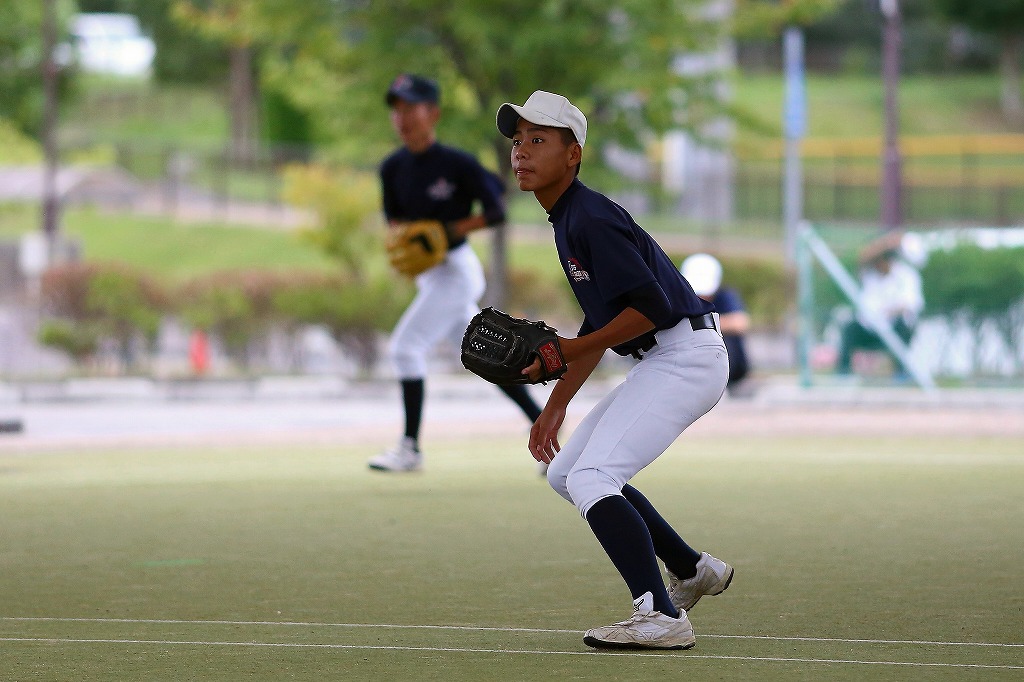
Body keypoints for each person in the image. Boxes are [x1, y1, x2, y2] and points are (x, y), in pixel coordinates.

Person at [497, 90, 733, 650]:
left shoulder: (589, 218)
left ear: (573, 153)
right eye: (517, 141)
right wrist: (554, 407)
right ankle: (690, 567)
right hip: (671, 358)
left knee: (592, 477)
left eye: (538, 140)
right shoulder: (569, 218)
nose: (521, 153)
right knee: (567, 475)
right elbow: (600, 324)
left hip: (686, 358)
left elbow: (649, 310)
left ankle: (661, 615)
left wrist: (565, 353)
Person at [368, 74, 543, 472]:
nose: (403, 117)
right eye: (397, 109)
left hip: (458, 271)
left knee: (404, 348)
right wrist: (403, 240)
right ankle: (547, 430)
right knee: (487, 358)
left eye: (411, 107)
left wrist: (450, 231)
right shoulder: (392, 168)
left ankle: (409, 449)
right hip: (431, 276)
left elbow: (497, 211)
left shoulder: (457, 164)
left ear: (433, 113)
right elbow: (395, 223)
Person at [835, 231, 924, 378]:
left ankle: (901, 372)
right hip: (871, 329)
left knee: (904, 327)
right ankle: (843, 373)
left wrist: (888, 312)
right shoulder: (870, 276)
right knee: (849, 327)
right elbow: (862, 259)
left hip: (894, 327)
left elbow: (911, 304)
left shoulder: (906, 275)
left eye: (880, 261)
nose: (877, 265)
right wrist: (883, 244)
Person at [680, 253, 751, 392]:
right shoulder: (679, 299)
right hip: (689, 366)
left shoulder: (725, 296)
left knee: (722, 338)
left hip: (731, 370)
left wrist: (700, 325)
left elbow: (741, 323)